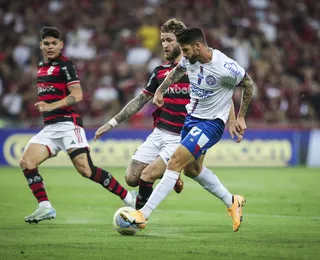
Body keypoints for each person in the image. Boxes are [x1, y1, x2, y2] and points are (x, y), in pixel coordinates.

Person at [94, 19, 243, 210]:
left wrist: (233, 119)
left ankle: (138, 216)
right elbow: (140, 100)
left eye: (169, 40)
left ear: (181, 42)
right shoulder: (160, 72)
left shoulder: (198, 69)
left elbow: (223, 94)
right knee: (132, 178)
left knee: (149, 175)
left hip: (182, 136)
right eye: (162, 40)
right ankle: (172, 177)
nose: (164, 45)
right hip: (159, 132)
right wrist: (111, 123)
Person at [121, 27, 253, 232]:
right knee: (193, 170)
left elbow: (248, 83)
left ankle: (142, 214)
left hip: (211, 124)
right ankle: (232, 201)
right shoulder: (190, 60)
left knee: (174, 162)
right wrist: (160, 90)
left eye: (185, 49)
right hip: (191, 120)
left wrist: (240, 117)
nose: (183, 54)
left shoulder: (226, 66)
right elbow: (177, 71)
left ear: (198, 46)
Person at [20, 26, 136, 224]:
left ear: (61, 45)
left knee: (86, 170)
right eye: (46, 43)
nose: (50, 47)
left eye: (54, 43)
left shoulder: (66, 65)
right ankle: (45, 207)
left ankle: (128, 197)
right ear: (41, 45)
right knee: (26, 162)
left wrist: (51, 106)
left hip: (67, 124)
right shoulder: (40, 66)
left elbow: (77, 95)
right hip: (50, 128)